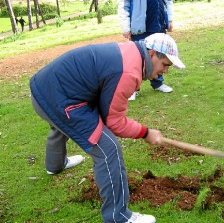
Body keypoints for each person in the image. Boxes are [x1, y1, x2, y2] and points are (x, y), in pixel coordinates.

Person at [30, 33, 185, 223]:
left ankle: (54, 165)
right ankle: (118, 216)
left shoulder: (132, 53)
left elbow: (105, 107)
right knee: (108, 148)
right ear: (152, 54)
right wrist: (145, 132)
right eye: (165, 64)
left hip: (44, 90)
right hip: (57, 98)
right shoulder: (129, 71)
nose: (165, 71)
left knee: (61, 124)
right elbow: (114, 122)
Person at [118, 0, 175, 100]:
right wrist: (125, 27)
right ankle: (133, 88)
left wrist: (169, 19)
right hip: (139, 26)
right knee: (137, 57)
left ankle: (158, 83)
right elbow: (124, 3)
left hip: (159, 25)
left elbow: (169, 0)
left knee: (159, 56)